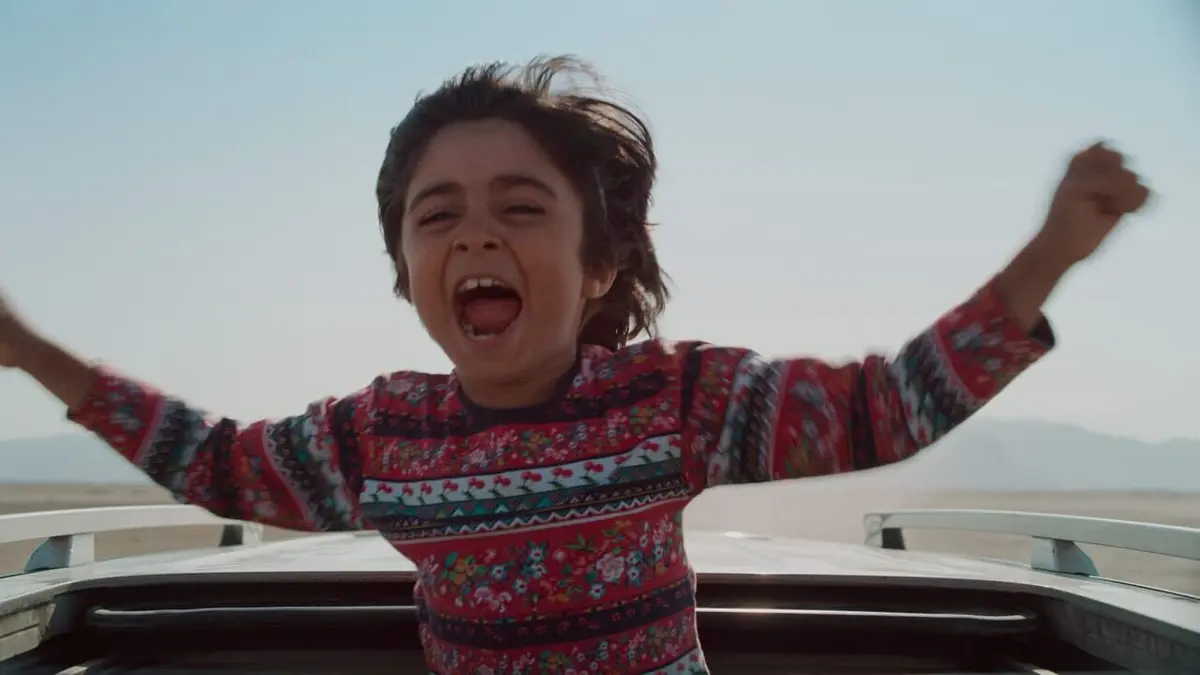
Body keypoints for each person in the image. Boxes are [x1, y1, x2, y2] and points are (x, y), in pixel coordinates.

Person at [0, 56, 1150, 675]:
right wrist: (28, 347)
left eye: (519, 207)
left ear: (600, 266)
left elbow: (881, 410)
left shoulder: (672, 400)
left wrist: (1049, 254)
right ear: (405, 269)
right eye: (437, 216)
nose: (475, 237)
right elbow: (213, 464)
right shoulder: (379, 437)